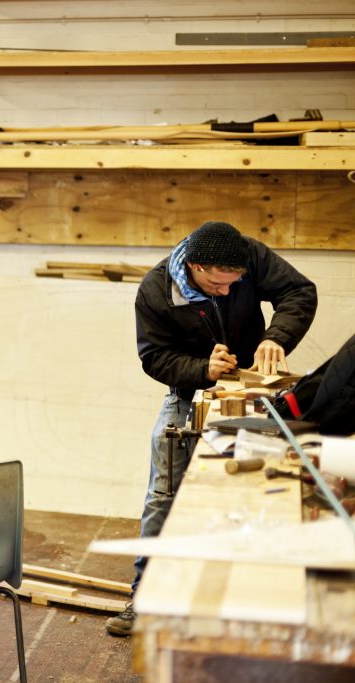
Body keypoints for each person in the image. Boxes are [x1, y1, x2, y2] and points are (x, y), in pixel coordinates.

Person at [105, 221, 317, 637]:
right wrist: (203, 369)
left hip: (253, 389)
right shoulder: (156, 290)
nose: (227, 292)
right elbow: (155, 357)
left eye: (234, 284)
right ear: (196, 266)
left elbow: (299, 291)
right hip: (190, 394)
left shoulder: (248, 255)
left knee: (264, 488)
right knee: (164, 493)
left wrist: (276, 337)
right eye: (218, 286)